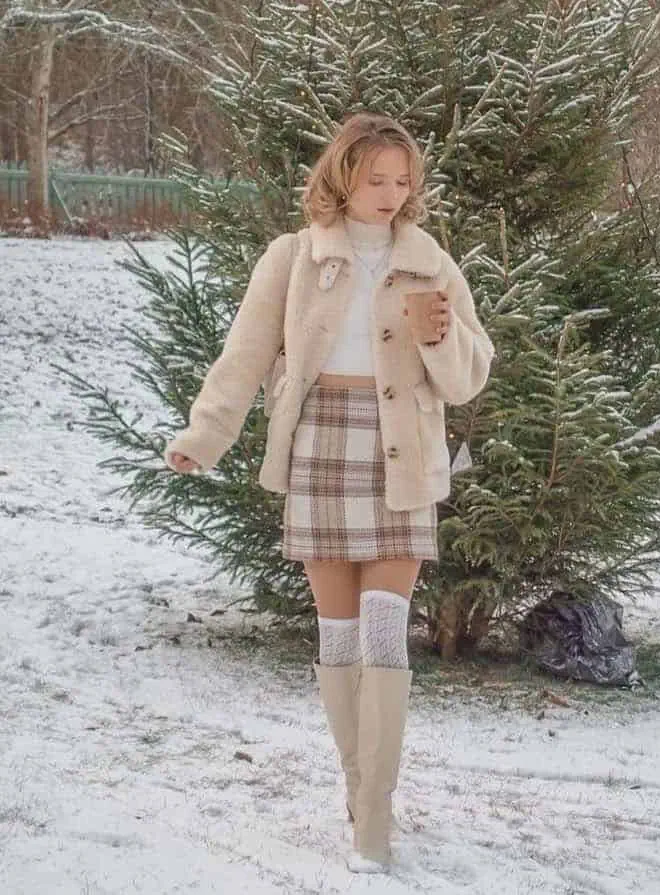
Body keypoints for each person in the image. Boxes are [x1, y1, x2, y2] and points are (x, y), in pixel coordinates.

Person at [165, 111, 494, 873]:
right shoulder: (293, 257)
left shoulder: (430, 262)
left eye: (402, 180)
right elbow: (245, 356)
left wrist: (441, 335)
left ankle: (373, 819)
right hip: (321, 447)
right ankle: (359, 791)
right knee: (339, 636)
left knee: (384, 631)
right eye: (376, 178)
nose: (391, 193)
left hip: (403, 454)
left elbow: (468, 376)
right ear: (342, 176)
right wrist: (204, 436)